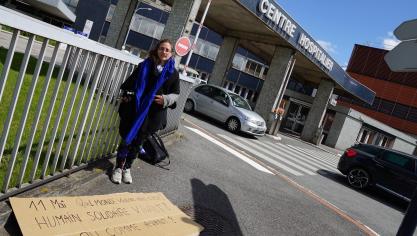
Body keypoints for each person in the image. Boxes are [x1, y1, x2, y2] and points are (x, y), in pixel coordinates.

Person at [112, 39, 180, 184]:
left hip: (153, 114)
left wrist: (165, 99)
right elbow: (129, 84)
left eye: (167, 50)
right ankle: (118, 167)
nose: (164, 52)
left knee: (138, 142)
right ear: (157, 49)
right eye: (162, 48)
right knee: (127, 139)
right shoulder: (145, 66)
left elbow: (176, 94)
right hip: (135, 110)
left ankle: (127, 168)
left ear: (171, 53)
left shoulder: (173, 73)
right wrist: (127, 95)